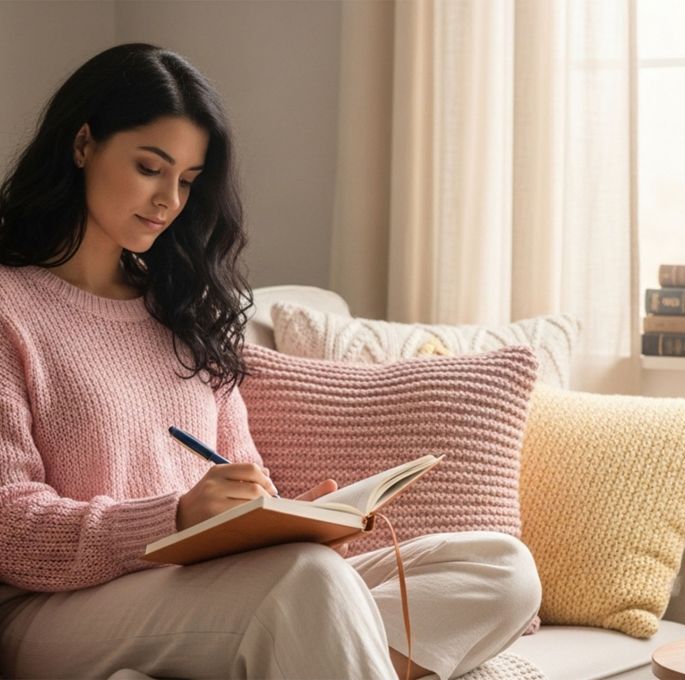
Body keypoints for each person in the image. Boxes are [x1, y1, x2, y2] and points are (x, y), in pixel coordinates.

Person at [0, 43, 541, 680]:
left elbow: (239, 467)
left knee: (497, 568)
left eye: (188, 182)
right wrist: (172, 517)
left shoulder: (181, 310)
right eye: (150, 167)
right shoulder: (12, 308)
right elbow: (10, 525)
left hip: (205, 585)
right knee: (303, 585)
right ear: (84, 143)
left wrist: (283, 516)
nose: (169, 200)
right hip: (58, 610)